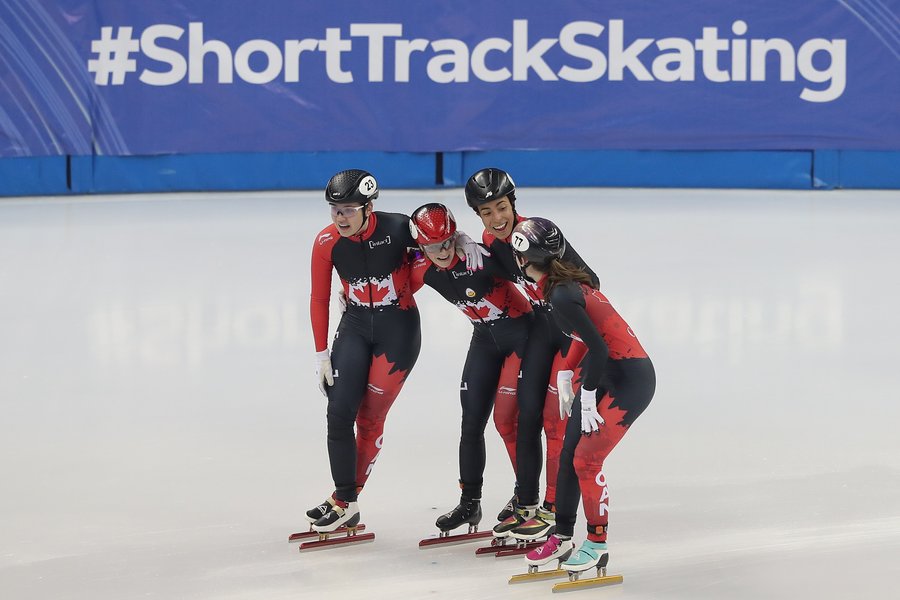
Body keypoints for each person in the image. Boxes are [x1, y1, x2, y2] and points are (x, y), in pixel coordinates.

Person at [305, 170, 486, 533]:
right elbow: (319, 298)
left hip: (397, 333)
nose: (341, 218)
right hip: (354, 327)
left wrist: (461, 238)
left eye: (349, 210)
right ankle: (344, 500)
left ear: (369, 208)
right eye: (335, 210)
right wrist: (321, 353)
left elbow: (436, 239)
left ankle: (348, 496)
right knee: (338, 413)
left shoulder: (398, 228)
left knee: (369, 418)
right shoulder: (326, 242)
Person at [509, 217, 656, 574]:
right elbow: (583, 336)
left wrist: (586, 393)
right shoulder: (562, 282)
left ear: (523, 260)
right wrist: (564, 371)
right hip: (605, 372)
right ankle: (561, 536)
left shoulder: (560, 293)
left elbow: (600, 347)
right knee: (570, 451)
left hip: (629, 381)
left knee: (586, 462)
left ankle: (597, 543)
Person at [463, 168, 599, 541]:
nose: (497, 218)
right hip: (540, 325)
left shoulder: (538, 231)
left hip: (568, 325)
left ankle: (555, 506)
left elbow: (592, 281)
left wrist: (563, 302)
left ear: (513, 204)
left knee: (555, 419)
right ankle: (527, 502)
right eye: (487, 212)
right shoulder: (490, 239)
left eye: (502, 207)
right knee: (526, 414)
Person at [407, 203, 532, 533]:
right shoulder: (420, 267)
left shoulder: (478, 258)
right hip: (485, 340)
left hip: (521, 339)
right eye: (433, 247)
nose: (443, 251)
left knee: (507, 421)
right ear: (420, 246)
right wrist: (347, 295)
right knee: (471, 421)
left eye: (448, 241)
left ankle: (526, 498)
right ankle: (469, 503)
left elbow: (531, 273)